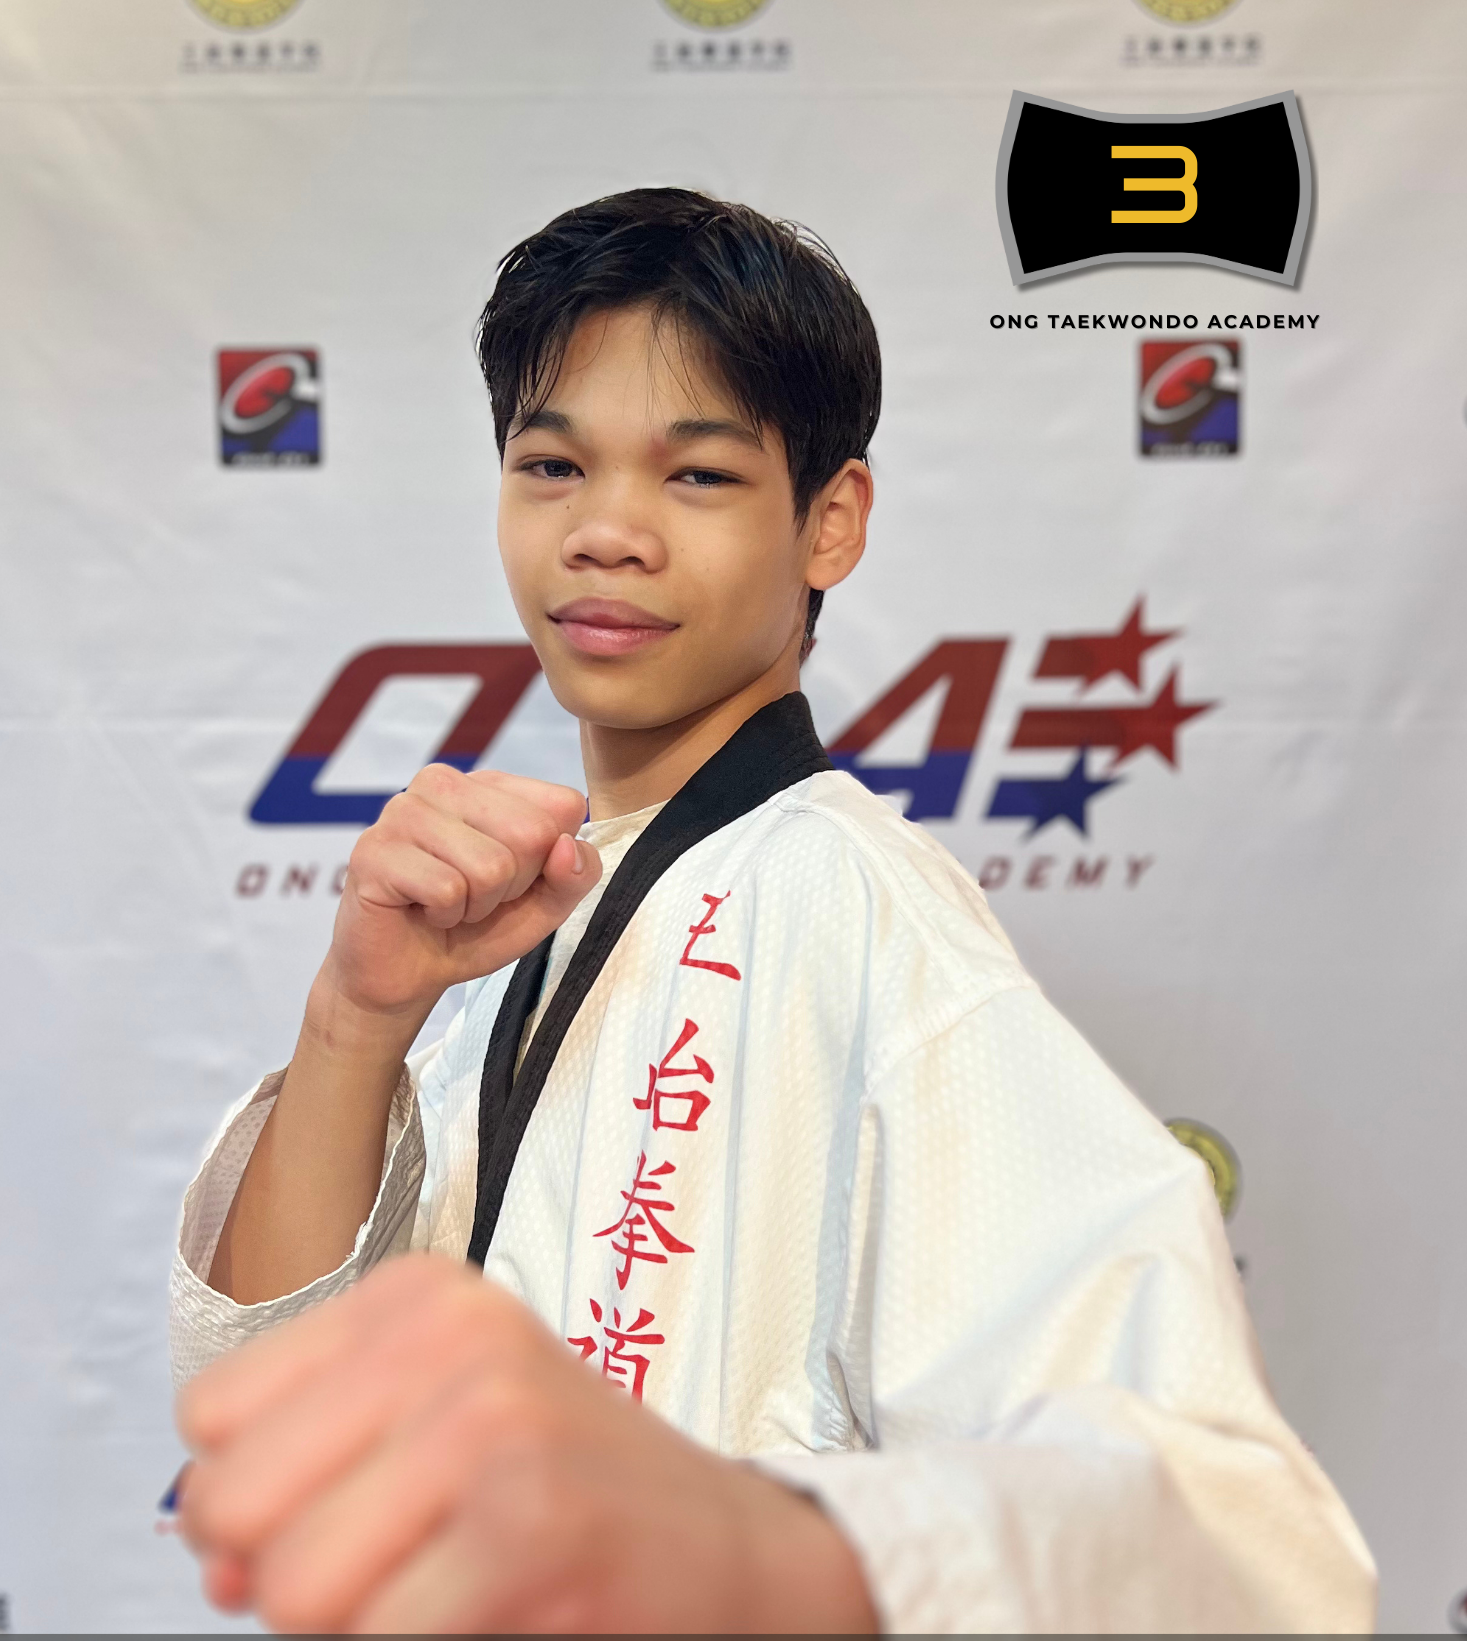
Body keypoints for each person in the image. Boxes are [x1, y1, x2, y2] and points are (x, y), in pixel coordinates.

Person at [170, 187, 1374, 1634]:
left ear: (831, 522)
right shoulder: (502, 918)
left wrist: (759, 1547)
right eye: (551, 464)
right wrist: (354, 1018)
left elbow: (1227, 1529)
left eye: (696, 478)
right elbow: (262, 1407)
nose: (605, 532)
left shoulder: (859, 906)